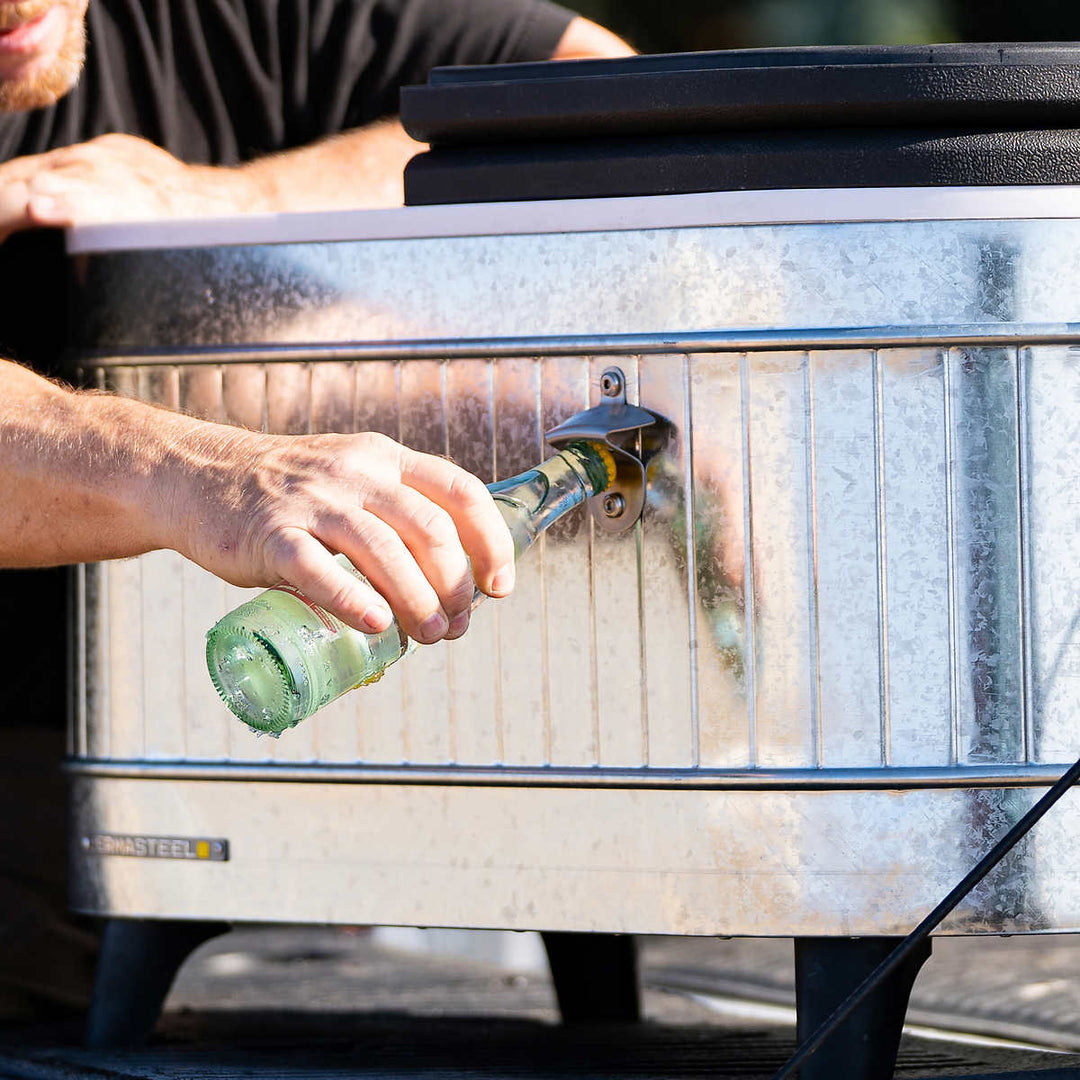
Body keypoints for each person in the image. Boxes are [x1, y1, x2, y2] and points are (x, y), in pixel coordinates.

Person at [0, 0, 634, 1022]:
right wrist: (208, 477)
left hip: (254, 739)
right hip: (44, 771)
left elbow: (590, 91)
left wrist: (217, 203)